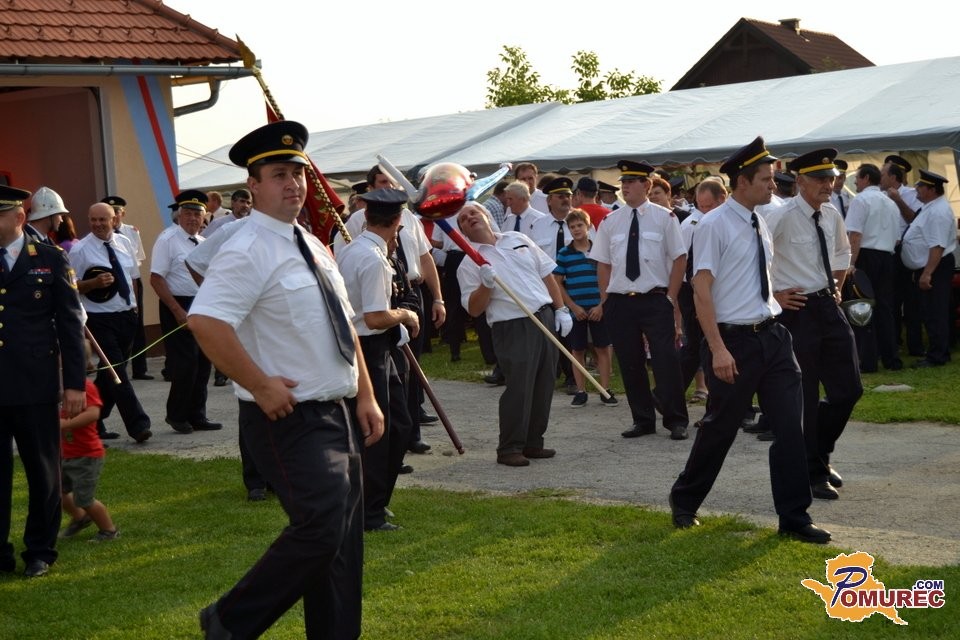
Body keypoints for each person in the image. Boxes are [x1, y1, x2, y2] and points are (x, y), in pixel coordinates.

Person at [188, 120, 383, 639]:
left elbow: (345, 324)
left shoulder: (312, 243)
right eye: (279, 174)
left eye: (297, 173)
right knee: (321, 525)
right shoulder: (246, 247)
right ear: (253, 185)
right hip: (289, 416)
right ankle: (229, 621)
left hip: (338, 410)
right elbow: (206, 322)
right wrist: (259, 383)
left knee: (342, 541)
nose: (293, 183)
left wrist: (365, 395)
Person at [669, 136, 830, 544]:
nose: (774, 186)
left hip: (773, 337)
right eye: (766, 179)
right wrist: (718, 349)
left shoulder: (759, 220)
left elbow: (753, 276)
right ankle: (685, 499)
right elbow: (701, 290)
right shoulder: (714, 225)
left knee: (790, 428)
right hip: (734, 343)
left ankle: (794, 517)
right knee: (720, 428)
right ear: (742, 182)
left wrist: (771, 299)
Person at [765, 148, 863, 501]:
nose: (828, 184)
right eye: (820, 178)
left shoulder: (831, 214)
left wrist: (837, 286)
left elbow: (841, 253)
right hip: (797, 310)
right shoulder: (779, 215)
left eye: (831, 178)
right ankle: (813, 470)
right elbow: (755, 257)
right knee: (805, 395)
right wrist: (773, 296)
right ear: (801, 181)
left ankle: (819, 452)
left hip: (826, 303)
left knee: (849, 389)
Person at [0, 184, 87, 578]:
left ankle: (39, 550)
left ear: (19, 217)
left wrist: (75, 384)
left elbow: (70, 324)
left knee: (43, 471)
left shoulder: (50, 259)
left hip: (34, 383)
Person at [457, 201, 572, 467]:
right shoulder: (468, 263)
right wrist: (486, 284)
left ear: (486, 216)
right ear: (462, 231)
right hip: (512, 325)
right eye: (463, 218)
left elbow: (547, 275)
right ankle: (509, 447)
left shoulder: (517, 239)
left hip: (543, 315)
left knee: (544, 383)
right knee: (520, 386)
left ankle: (533, 442)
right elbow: (474, 309)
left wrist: (561, 310)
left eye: (474, 212)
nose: (470, 217)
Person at [336, 188, 420, 530]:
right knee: (378, 433)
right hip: (370, 348)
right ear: (397, 221)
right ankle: (369, 510)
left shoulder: (354, 249)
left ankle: (375, 501)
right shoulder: (372, 258)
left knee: (399, 426)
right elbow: (374, 318)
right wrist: (406, 315)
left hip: (373, 347)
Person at [592, 160, 689, 441]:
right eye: (623, 182)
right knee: (630, 361)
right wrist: (606, 299)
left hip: (655, 298)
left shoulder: (665, 217)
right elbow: (603, 263)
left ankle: (676, 419)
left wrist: (670, 297)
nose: (625, 187)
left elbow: (680, 258)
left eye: (631, 182)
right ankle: (642, 419)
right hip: (620, 301)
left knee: (665, 360)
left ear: (646, 185)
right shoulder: (611, 221)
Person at [69, 202, 153, 443]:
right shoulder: (80, 250)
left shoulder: (125, 242)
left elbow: (133, 278)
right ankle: (138, 425)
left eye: (102, 220)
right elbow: (70, 287)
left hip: (127, 315)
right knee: (117, 371)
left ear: (114, 220)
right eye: (93, 219)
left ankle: (93, 420)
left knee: (110, 374)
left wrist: (135, 308)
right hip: (99, 318)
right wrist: (93, 284)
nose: (97, 224)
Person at [150, 190, 222, 435]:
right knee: (185, 364)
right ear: (179, 216)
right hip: (177, 305)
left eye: (197, 214)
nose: (193, 218)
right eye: (188, 213)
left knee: (203, 363)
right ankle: (177, 415)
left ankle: (197, 415)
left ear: (204, 218)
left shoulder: (202, 242)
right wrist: (177, 310)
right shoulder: (168, 239)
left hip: (200, 305)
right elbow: (156, 279)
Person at [553, 208, 617, 407]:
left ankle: (605, 390)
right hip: (577, 311)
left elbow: (610, 279)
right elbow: (557, 282)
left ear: (588, 226)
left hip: (599, 308)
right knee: (577, 349)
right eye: (572, 227)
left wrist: (602, 305)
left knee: (602, 348)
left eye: (580, 225)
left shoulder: (599, 250)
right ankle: (581, 391)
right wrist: (572, 306)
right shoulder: (564, 253)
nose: (576, 229)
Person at [845, 163, 902, 371]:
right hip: (887, 256)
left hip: (866, 256)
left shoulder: (860, 200)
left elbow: (855, 234)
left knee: (862, 307)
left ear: (866, 178)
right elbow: (897, 238)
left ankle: (868, 360)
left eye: (857, 178)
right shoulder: (890, 203)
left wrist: (851, 263)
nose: (855, 182)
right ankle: (891, 358)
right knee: (885, 308)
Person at [58, 349, 119, 542]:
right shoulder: (58, 389)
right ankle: (80, 518)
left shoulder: (85, 387)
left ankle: (109, 530)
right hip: (67, 454)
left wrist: (65, 424)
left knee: (84, 498)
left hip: (86, 455)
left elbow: (93, 414)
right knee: (56, 492)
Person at [900, 169, 957, 367]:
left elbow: (937, 245)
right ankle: (938, 351)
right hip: (931, 265)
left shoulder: (938, 212)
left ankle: (937, 355)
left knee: (935, 311)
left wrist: (927, 274)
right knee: (931, 311)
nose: (917, 189)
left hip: (935, 266)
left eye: (921, 186)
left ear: (932, 190)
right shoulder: (930, 207)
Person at [677, 179, 727, 404]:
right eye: (701, 205)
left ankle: (667, 394)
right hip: (693, 291)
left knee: (702, 347)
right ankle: (668, 394)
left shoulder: (723, 222)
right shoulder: (692, 225)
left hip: (716, 290)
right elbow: (684, 263)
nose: (705, 210)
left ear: (722, 200)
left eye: (709, 206)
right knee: (698, 347)